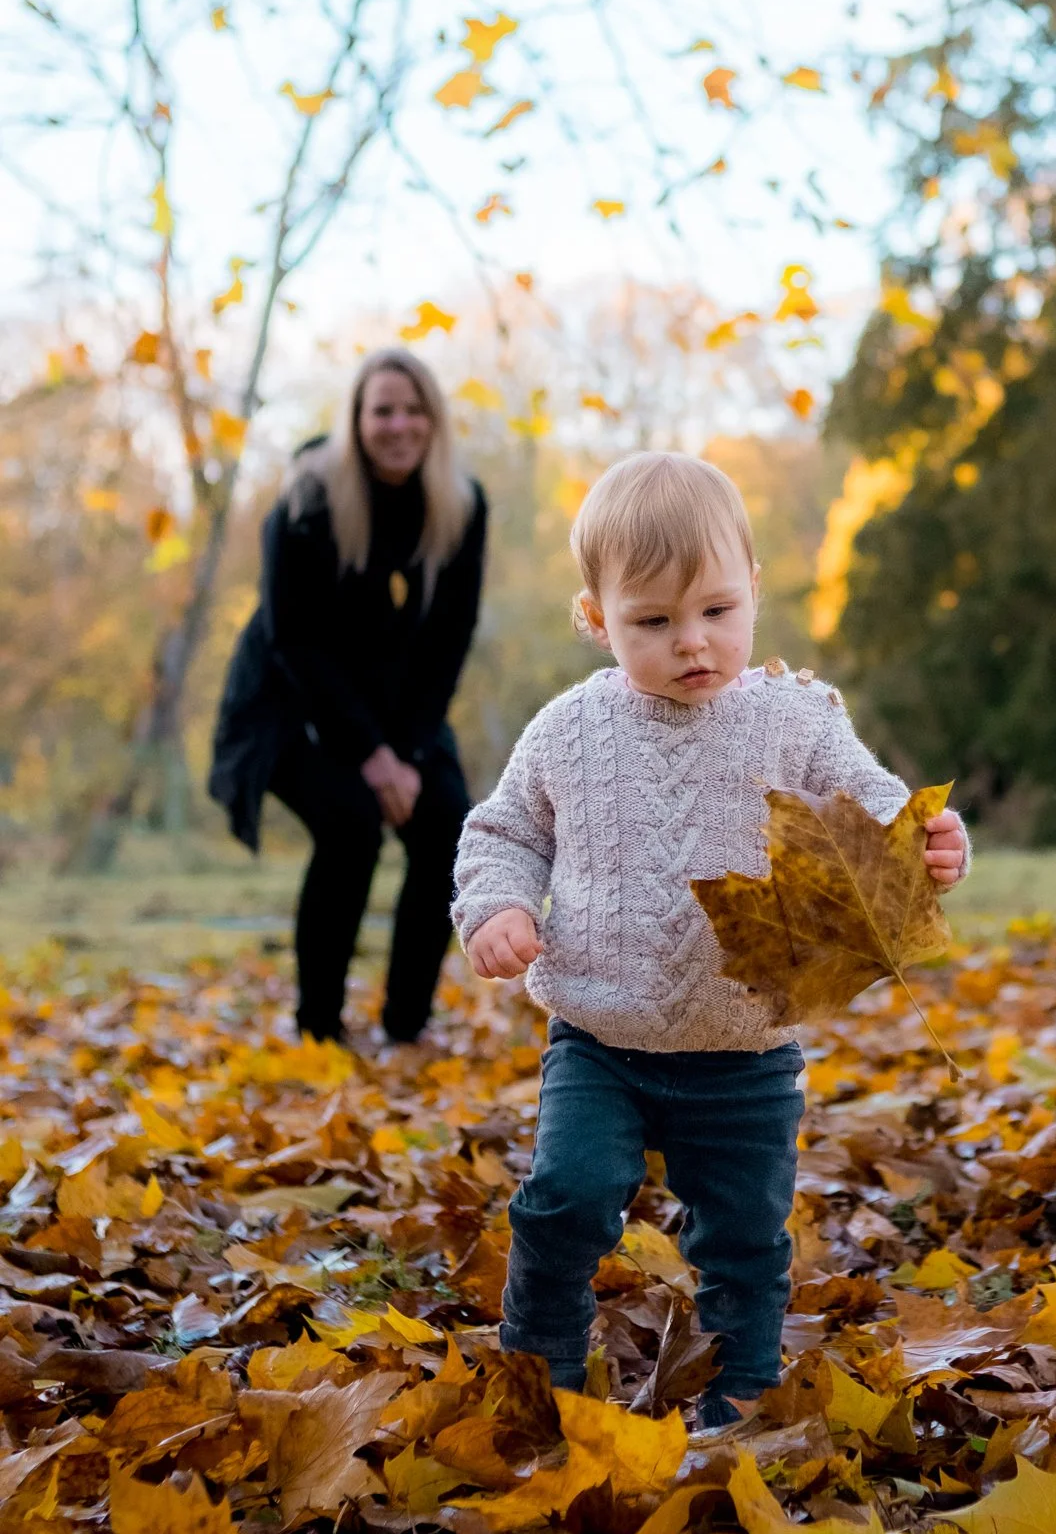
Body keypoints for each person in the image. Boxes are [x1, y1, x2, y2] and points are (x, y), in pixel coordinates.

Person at [452, 448, 967, 1425]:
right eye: (652, 621)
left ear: (752, 593)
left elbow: (880, 811)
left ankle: (741, 1390)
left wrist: (932, 847)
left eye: (717, 612)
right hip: (601, 1039)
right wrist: (498, 907)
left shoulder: (793, 720)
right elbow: (506, 829)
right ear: (597, 618)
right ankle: (540, 1363)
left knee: (742, 1233)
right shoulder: (568, 730)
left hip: (746, 1048)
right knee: (565, 1195)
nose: (692, 642)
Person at [210, 348, 487, 1046]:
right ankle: (318, 1030)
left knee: (448, 827)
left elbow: (449, 638)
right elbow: (293, 640)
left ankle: (406, 1029)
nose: (398, 425)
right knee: (351, 825)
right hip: (289, 701)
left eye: (412, 409)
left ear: (433, 419)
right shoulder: (309, 496)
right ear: (356, 420)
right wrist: (370, 756)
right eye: (381, 410)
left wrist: (411, 751)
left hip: (399, 706)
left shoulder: (460, 503)